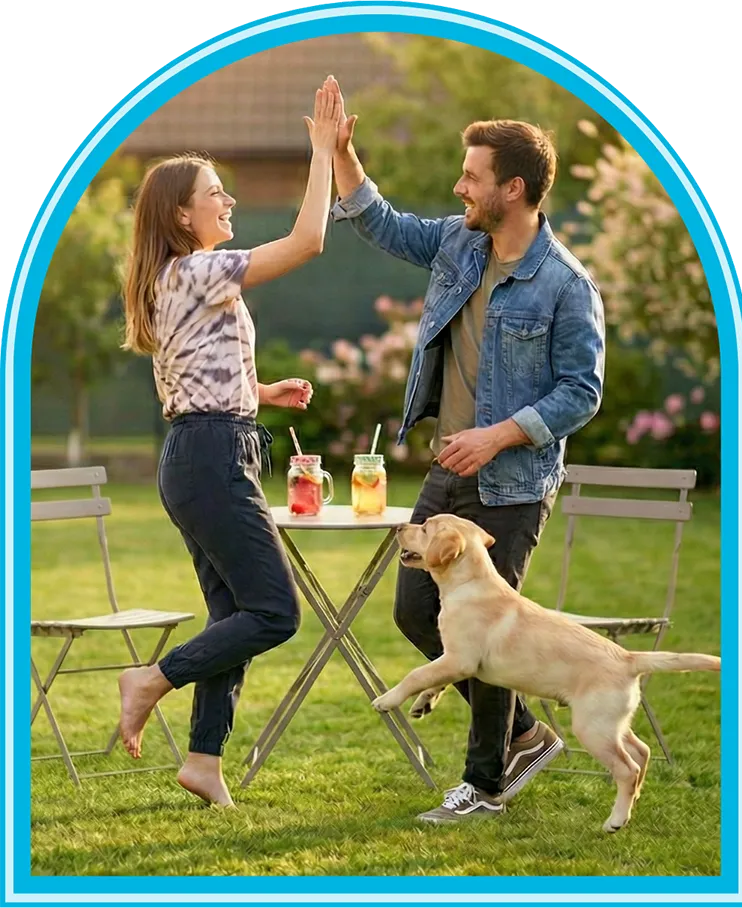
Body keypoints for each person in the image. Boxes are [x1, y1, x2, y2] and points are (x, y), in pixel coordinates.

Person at [329, 79, 606, 823]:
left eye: (473, 176)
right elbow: (380, 223)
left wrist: (500, 432)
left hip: (511, 482)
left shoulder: (564, 285)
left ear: (513, 189)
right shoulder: (459, 240)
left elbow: (582, 391)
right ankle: (521, 734)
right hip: (450, 473)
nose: (460, 187)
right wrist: (342, 154)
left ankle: (482, 785)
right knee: (416, 610)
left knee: (481, 633)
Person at [117, 78, 342, 808]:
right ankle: (152, 678)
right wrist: (321, 152)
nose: (229, 202)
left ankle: (204, 761)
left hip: (210, 450)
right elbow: (310, 241)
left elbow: (197, 367)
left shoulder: (188, 277)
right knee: (275, 612)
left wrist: (262, 392)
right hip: (210, 459)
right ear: (182, 214)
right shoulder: (195, 268)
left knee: (234, 615)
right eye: (216, 193)